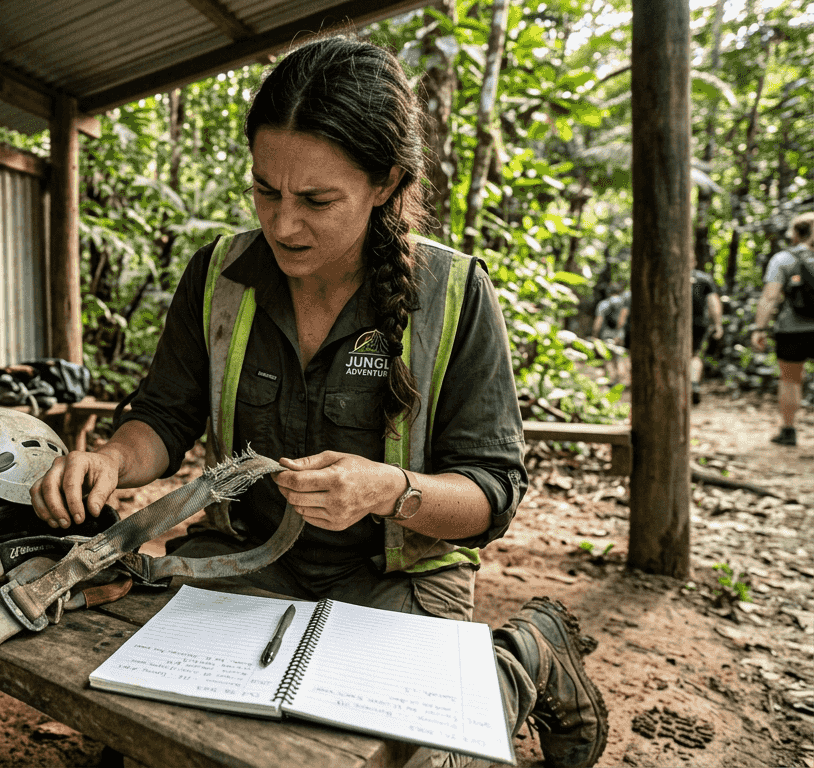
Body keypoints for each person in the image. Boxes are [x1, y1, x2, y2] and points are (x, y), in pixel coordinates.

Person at [31, 37, 607, 768]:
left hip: (398, 576)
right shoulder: (221, 275)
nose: (283, 224)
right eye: (265, 190)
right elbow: (166, 416)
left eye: (316, 199)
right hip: (246, 556)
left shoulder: (455, 293)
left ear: (386, 182)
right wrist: (112, 458)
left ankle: (522, 658)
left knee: (418, 755)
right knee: (147, 739)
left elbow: (490, 496)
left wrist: (390, 492)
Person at [752, 211, 814, 446]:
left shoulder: (784, 259)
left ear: (797, 234)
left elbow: (770, 297)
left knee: (790, 378)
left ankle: (788, 430)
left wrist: (759, 328)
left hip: (792, 329)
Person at [690, 265, 722, 405]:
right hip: (698, 322)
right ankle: (693, 383)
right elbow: (713, 302)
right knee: (695, 355)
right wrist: (717, 324)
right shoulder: (703, 278)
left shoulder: (669, 273)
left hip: (673, 323)